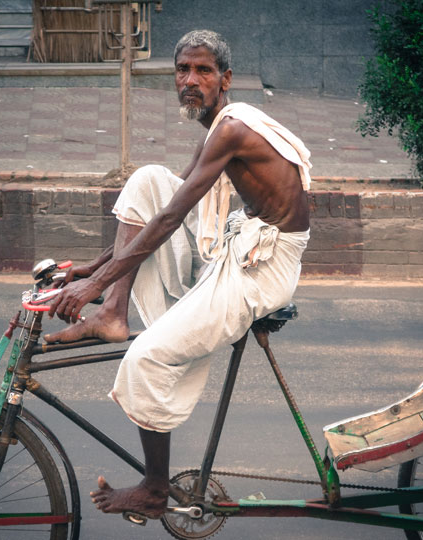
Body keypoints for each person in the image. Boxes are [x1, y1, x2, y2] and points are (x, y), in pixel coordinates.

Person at [47, 29, 312, 519]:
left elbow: (170, 222)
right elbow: (167, 207)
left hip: (262, 271)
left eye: (203, 71)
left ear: (225, 80)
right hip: (240, 252)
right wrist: (95, 267)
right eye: (183, 71)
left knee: (145, 359)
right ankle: (112, 314)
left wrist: (94, 281)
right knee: (149, 178)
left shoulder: (231, 129)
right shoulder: (220, 129)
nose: (190, 80)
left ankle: (153, 487)